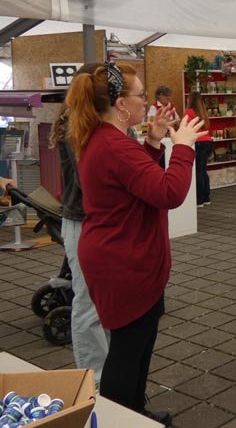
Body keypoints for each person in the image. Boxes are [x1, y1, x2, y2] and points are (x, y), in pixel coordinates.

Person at [66, 62, 205, 426]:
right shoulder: (113, 145)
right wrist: (184, 147)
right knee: (128, 350)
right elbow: (168, 192)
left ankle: (133, 414)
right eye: (141, 95)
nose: (147, 101)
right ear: (120, 104)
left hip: (123, 255)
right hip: (123, 261)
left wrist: (154, 143)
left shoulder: (106, 139)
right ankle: (118, 419)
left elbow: (137, 182)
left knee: (138, 343)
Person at [49, 62, 110, 389]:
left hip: (94, 221)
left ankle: (107, 376)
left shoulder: (87, 124)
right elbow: (91, 182)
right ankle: (94, 381)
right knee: (88, 303)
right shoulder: (77, 127)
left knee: (101, 302)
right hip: (83, 221)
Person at [184, 92, 213, 207]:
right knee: (203, 171)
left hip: (198, 143)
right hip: (208, 142)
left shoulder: (188, 112)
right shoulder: (203, 112)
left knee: (198, 172)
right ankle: (206, 197)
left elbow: (186, 128)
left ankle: (199, 200)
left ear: (190, 100)